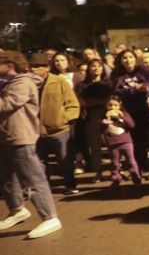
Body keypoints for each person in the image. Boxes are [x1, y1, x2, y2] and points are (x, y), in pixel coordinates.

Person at [0, 51, 63, 239]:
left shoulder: (23, 82)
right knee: (7, 178)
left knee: (32, 178)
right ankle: (17, 209)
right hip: (6, 136)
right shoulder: (7, 82)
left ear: (9, 65)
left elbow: (6, 105)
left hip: (21, 136)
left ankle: (50, 217)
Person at [112, 50, 149, 179]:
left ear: (135, 58)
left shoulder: (143, 70)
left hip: (147, 109)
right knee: (137, 141)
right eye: (124, 58)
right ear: (120, 61)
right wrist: (131, 90)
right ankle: (139, 166)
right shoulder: (118, 74)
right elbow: (115, 89)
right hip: (130, 111)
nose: (128, 60)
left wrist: (146, 84)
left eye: (131, 57)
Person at [30, 52, 81, 195]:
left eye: (37, 66)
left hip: (59, 130)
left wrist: (63, 119)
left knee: (65, 160)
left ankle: (70, 185)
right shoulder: (27, 84)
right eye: (32, 66)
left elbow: (73, 104)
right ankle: (44, 189)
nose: (33, 69)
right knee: (40, 162)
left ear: (47, 68)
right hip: (36, 130)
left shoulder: (59, 82)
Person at [75, 59, 114, 181]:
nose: (96, 68)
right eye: (93, 66)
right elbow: (81, 102)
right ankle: (98, 172)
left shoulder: (108, 83)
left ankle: (116, 170)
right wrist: (99, 102)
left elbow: (111, 100)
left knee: (112, 144)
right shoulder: (82, 85)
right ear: (89, 69)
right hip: (91, 117)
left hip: (108, 115)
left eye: (99, 66)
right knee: (95, 147)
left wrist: (92, 102)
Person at [102, 94, 142, 187]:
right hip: (113, 143)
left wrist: (121, 116)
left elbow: (132, 125)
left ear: (120, 105)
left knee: (131, 160)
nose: (113, 107)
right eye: (110, 105)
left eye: (115, 105)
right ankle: (116, 178)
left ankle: (136, 177)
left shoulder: (124, 114)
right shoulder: (104, 117)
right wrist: (106, 120)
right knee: (115, 163)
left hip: (126, 142)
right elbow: (102, 129)